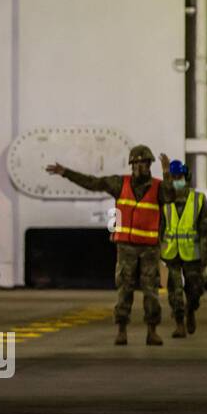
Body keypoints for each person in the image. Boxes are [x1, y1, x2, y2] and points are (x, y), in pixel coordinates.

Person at [46, 144, 174, 346]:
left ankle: (152, 330)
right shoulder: (118, 183)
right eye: (136, 163)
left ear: (150, 165)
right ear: (131, 165)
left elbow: (169, 197)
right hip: (125, 247)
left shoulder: (159, 187)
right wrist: (66, 173)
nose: (140, 167)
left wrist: (167, 174)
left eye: (144, 163)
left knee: (151, 290)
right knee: (125, 288)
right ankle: (122, 329)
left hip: (150, 248)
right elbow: (92, 182)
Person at [159, 155, 207, 338]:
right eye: (173, 179)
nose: (176, 182)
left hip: (192, 253)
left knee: (195, 289)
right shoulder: (164, 202)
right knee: (175, 290)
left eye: (179, 178)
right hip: (172, 252)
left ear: (186, 178)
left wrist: (205, 255)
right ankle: (179, 323)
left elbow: (205, 230)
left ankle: (191, 310)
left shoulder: (198, 200)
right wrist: (158, 251)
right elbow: (160, 227)